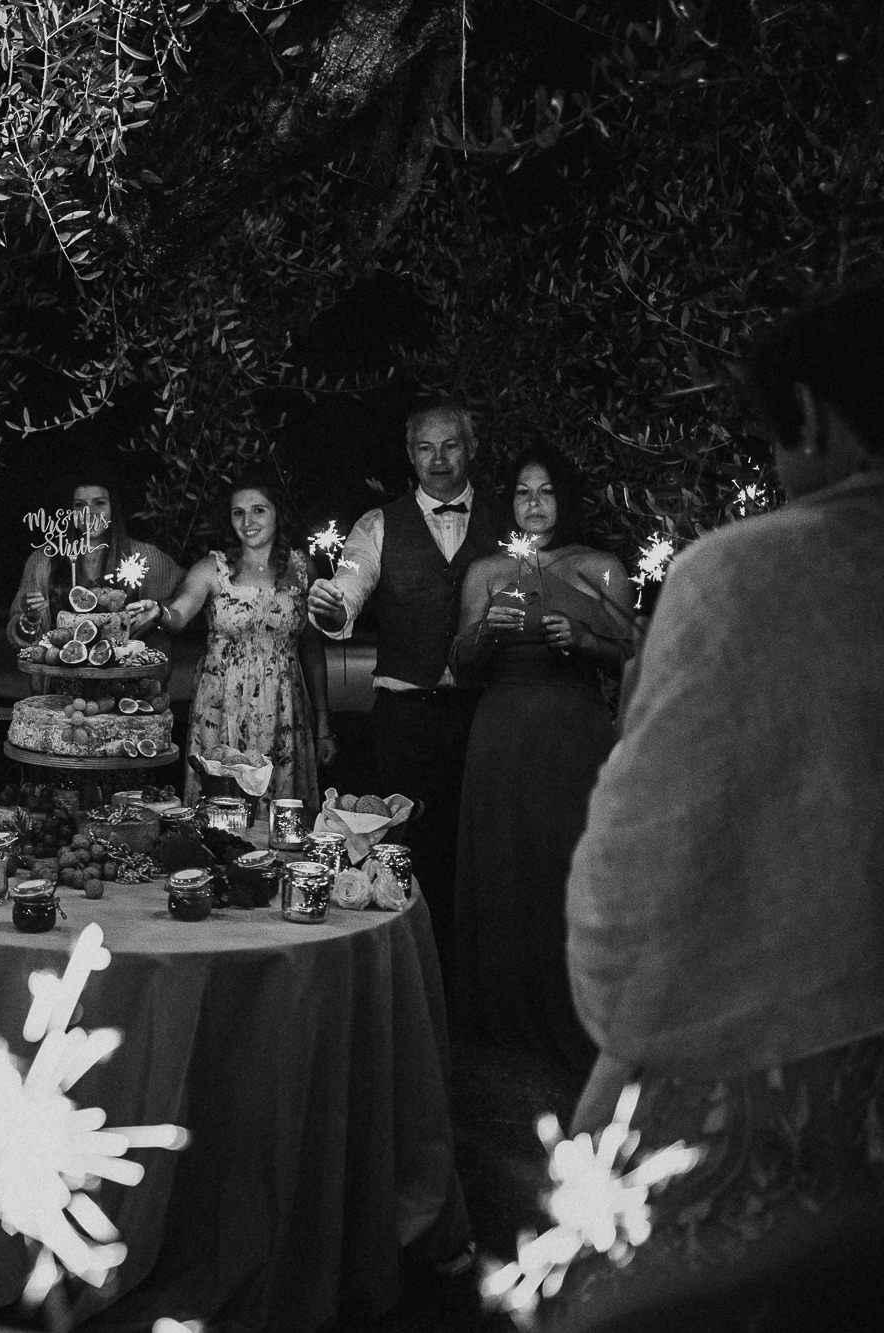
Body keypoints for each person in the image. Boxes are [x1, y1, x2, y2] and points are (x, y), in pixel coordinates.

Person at [544, 282, 884, 1331]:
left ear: (812, 415)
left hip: (771, 1093)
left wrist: (623, 1018)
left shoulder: (740, 579)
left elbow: (634, 875)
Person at [447, 446, 632, 1073]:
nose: (534, 504)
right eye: (524, 492)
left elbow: (631, 647)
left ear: (564, 498)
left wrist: (581, 640)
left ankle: (578, 1005)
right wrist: (485, 633)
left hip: (573, 732)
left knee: (567, 860)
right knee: (504, 866)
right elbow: (462, 665)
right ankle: (501, 1017)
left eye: (546, 491)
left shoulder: (600, 567)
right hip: (501, 735)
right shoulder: (486, 571)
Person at [307, 402, 505, 970]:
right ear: (409, 455)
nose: (439, 460)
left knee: (477, 849)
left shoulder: (506, 521)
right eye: (425, 447)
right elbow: (348, 587)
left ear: (471, 449)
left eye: (451, 446)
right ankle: (407, 976)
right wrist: (329, 606)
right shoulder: (378, 524)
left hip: (483, 711)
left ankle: (474, 983)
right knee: (402, 854)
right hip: (404, 715)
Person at [131, 470, 335, 804]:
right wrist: (159, 611)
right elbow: (179, 614)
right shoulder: (212, 568)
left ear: (277, 514)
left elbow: (312, 648)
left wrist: (324, 725)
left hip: (284, 708)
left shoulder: (302, 568)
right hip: (221, 706)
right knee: (222, 813)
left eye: (259, 510)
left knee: (280, 814)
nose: (248, 521)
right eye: (238, 512)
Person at [6, 475, 184, 649]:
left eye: (99, 503)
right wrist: (30, 620)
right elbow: (21, 639)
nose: (88, 512)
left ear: (113, 508)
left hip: (125, 674)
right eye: (79, 505)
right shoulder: (43, 561)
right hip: (60, 674)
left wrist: (157, 616)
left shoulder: (143, 556)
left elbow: (186, 590)